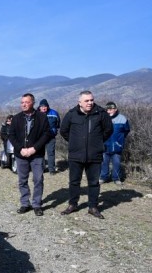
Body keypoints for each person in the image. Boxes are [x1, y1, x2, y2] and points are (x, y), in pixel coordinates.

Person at [60, 91, 113, 219]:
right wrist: (75, 142)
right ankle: (73, 204)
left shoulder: (101, 113)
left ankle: (93, 207)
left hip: (95, 155)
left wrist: (97, 142)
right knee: (74, 182)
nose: (90, 103)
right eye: (87, 101)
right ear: (80, 103)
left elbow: (108, 130)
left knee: (94, 182)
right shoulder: (72, 114)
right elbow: (63, 131)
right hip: (76, 155)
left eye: (91, 100)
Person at [8, 93, 51, 216]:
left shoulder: (42, 117)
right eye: (22, 102)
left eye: (26, 102)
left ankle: (37, 204)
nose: (24, 104)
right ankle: (25, 203)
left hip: (36, 154)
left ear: (32, 103)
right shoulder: (16, 118)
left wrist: (34, 148)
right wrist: (20, 148)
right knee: (22, 180)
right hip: (20, 154)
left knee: (38, 179)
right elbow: (11, 135)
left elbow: (46, 134)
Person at [100, 102, 130, 185]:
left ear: (115, 109)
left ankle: (116, 178)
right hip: (105, 145)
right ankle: (103, 177)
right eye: (107, 110)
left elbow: (126, 130)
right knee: (104, 162)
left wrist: (119, 140)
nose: (108, 111)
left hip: (117, 146)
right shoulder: (103, 118)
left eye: (110, 109)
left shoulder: (122, 119)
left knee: (116, 163)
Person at [38, 99, 61, 175]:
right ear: (39, 107)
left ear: (47, 106)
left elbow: (58, 124)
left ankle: (52, 170)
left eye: (45, 106)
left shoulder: (54, 113)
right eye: (42, 106)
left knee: (51, 153)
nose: (44, 108)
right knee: (40, 153)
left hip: (51, 137)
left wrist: (54, 131)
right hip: (40, 137)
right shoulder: (36, 114)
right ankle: (41, 168)